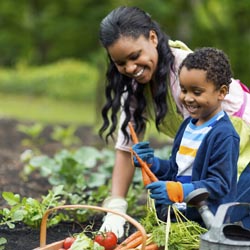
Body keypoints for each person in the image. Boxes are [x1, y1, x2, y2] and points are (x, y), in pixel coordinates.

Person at [98, 6, 250, 238]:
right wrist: (116, 207)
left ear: (152, 38)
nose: (130, 68)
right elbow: (126, 149)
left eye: (135, 56)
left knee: (231, 225)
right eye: (120, 63)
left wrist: (180, 190)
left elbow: (218, 174)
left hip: (240, 155)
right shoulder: (134, 88)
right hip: (209, 163)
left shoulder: (188, 75)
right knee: (175, 213)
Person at [132, 47, 239, 225]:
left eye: (196, 92)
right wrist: (152, 163)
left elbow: (219, 185)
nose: (188, 98)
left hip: (206, 223)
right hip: (179, 216)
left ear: (221, 92)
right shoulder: (187, 126)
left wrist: (179, 191)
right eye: (183, 90)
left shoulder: (224, 135)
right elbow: (176, 171)